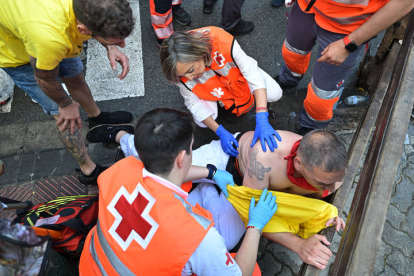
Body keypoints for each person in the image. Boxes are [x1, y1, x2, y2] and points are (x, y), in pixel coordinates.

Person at [87, 124, 347, 269]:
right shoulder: (264, 159)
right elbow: (252, 216)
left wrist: (324, 215)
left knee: (158, 162)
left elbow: (291, 207)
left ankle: (206, 191)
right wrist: (298, 244)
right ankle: (122, 135)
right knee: (153, 154)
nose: (331, 186)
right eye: (322, 183)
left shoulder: (120, 173)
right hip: (227, 162)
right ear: (299, 164)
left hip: (226, 184)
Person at [79, 108, 277, 275]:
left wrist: (211, 173)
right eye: (191, 147)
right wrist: (255, 226)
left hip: (89, 264)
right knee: (254, 270)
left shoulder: (122, 169)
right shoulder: (198, 237)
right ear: (182, 158)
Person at [0, 0, 136, 185]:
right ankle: (89, 170)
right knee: (64, 117)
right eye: (117, 39)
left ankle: (97, 120)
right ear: (83, 30)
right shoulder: (50, 39)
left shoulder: (87, 10)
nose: (123, 44)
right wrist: (66, 104)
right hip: (21, 55)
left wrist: (110, 45)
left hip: (52, 34)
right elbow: (45, 79)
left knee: (76, 79)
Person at [276, 0, 414, 134]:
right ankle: (288, 79)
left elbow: (404, 2)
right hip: (305, 7)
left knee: (323, 93)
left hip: (346, 26)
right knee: (292, 52)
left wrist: (350, 44)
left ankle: (310, 125)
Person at [158, 27, 283, 158]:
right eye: (183, 75)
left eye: (190, 70)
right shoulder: (177, 69)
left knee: (275, 93)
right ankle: (220, 99)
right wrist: (220, 132)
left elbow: (252, 74)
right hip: (212, 89)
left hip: (236, 78)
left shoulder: (224, 42)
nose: (188, 78)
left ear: (199, 53)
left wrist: (262, 116)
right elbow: (193, 103)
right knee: (201, 120)